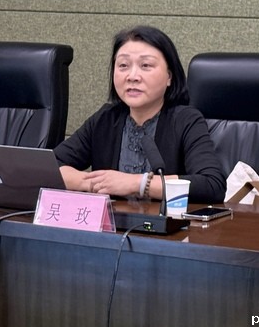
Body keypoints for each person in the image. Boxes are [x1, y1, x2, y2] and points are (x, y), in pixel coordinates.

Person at [54, 25, 226, 204]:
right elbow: (51, 167)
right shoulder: (106, 119)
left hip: (166, 221)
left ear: (169, 76)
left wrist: (138, 184)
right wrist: (96, 184)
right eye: (123, 65)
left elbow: (211, 184)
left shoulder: (185, 120)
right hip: (113, 221)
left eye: (145, 65)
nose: (132, 76)